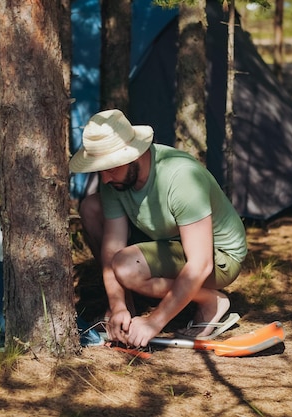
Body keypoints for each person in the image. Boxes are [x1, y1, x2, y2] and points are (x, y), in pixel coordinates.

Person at [69, 109, 247, 347]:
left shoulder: (181, 177)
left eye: (110, 168)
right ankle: (127, 312)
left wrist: (155, 321)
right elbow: (112, 249)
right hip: (169, 242)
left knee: (126, 266)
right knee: (92, 207)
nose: (105, 179)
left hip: (218, 257)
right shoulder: (116, 182)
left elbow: (201, 262)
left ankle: (211, 301)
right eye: (100, 170)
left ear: (132, 156)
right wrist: (118, 305)